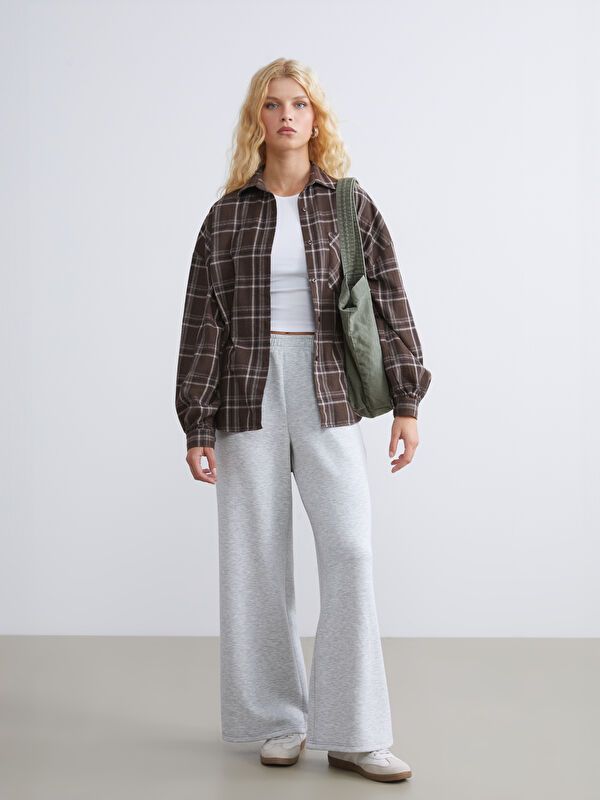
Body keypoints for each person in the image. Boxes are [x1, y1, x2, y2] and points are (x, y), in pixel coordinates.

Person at [175, 58, 432, 783]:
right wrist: (197, 424)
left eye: (298, 104)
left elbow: (390, 302)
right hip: (246, 390)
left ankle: (354, 731)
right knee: (255, 558)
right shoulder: (227, 216)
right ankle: (277, 719)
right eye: (272, 105)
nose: (286, 116)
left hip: (328, 386)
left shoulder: (350, 206)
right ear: (256, 120)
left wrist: (407, 402)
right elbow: (202, 325)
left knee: (350, 550)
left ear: (316, 118)